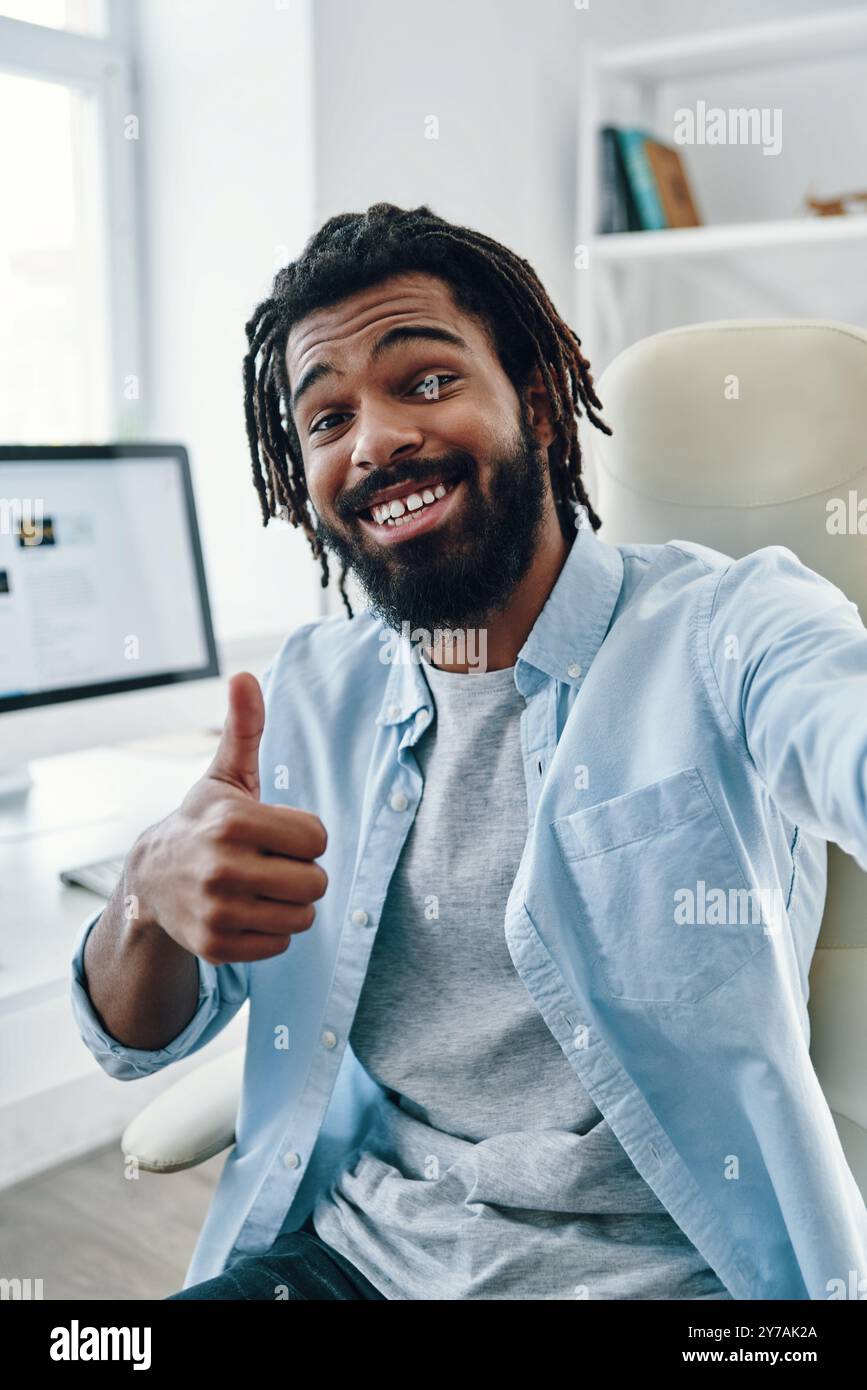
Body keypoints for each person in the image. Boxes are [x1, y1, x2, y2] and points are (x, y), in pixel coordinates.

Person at [72, 203, 867, 1300]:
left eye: (426, 380)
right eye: (327, 417)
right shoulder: (308, 693)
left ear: (537, 401)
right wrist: (145, 897)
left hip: (672, 1278)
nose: (375, 439)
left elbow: (844, 729)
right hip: (355, 1262)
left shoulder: (731, 624)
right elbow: (135, 1040)